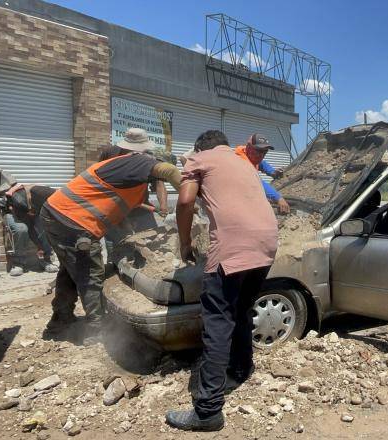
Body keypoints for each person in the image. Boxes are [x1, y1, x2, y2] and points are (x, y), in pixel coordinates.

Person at [166, 130, 278, 431]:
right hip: (267, 245)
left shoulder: (198, 158)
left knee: (218, 321)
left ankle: (207, 411)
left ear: (200, 147)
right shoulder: (244, 162)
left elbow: (186, 201)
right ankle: (240, 368)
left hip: (233, 248)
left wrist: (185, 244)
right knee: (240, 309)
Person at [40, 128, 181, 345]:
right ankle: (96, 330)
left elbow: (118, 214)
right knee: (90, 273)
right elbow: (170, 172)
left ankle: (60, 322)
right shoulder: (135, 161)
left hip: (57, 215)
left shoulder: (125, 174)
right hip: (73, 220)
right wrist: (195, 198)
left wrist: (132, 238)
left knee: (71, 270)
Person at [0, 183, 58, 275]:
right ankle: (18, 264)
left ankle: (46, 261)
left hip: (31, 209)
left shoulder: (51, 194)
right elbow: (30, 227)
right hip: (12, 210)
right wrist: (39, 246)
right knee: (21, 229)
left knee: (45, 226)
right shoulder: (19, 200)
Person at [235, 134, 291, 214]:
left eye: (265, 152)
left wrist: (273, 172)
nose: (261, 155)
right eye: (259, 151)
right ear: (248, 147)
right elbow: (257, 182)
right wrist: (278, 198)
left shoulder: (250, 154)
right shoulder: (241, 162)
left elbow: (261, 164)